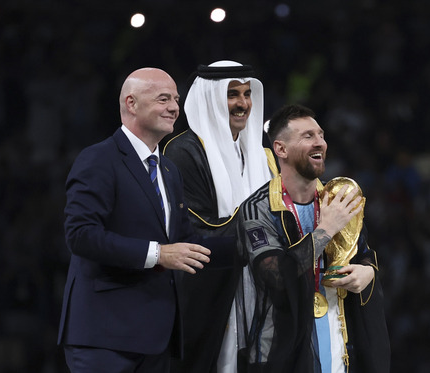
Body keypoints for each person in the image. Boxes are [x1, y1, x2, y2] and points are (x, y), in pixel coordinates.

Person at [58, 67, 233, 373]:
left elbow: (187, 245)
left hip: (156, 338)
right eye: (163, 99)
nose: (174, 108)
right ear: (131, 103)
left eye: (176, 99)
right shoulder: (98, 159)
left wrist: (255, 244)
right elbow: (81, 235)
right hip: (104, 337)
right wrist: (157, 254)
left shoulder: (168, 170)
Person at [235, 104, 391, 373]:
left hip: (339, 340)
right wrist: (326, 230)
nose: (320, 142)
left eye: (320, 135)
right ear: (281, 149)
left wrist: (367, 272)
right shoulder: (257, 208)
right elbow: (276, 277)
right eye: (308, 136)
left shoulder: (338, 198)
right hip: (280, 350)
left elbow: (363, 252)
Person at [163, 60, 276, 373]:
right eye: (232, 94)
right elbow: (196, 233)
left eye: (247, 93)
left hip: (257, 291)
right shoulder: (183, 152)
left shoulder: (259, 154)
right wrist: (264, 230)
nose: (242, 104)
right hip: (205, 296)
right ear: (211, 99)